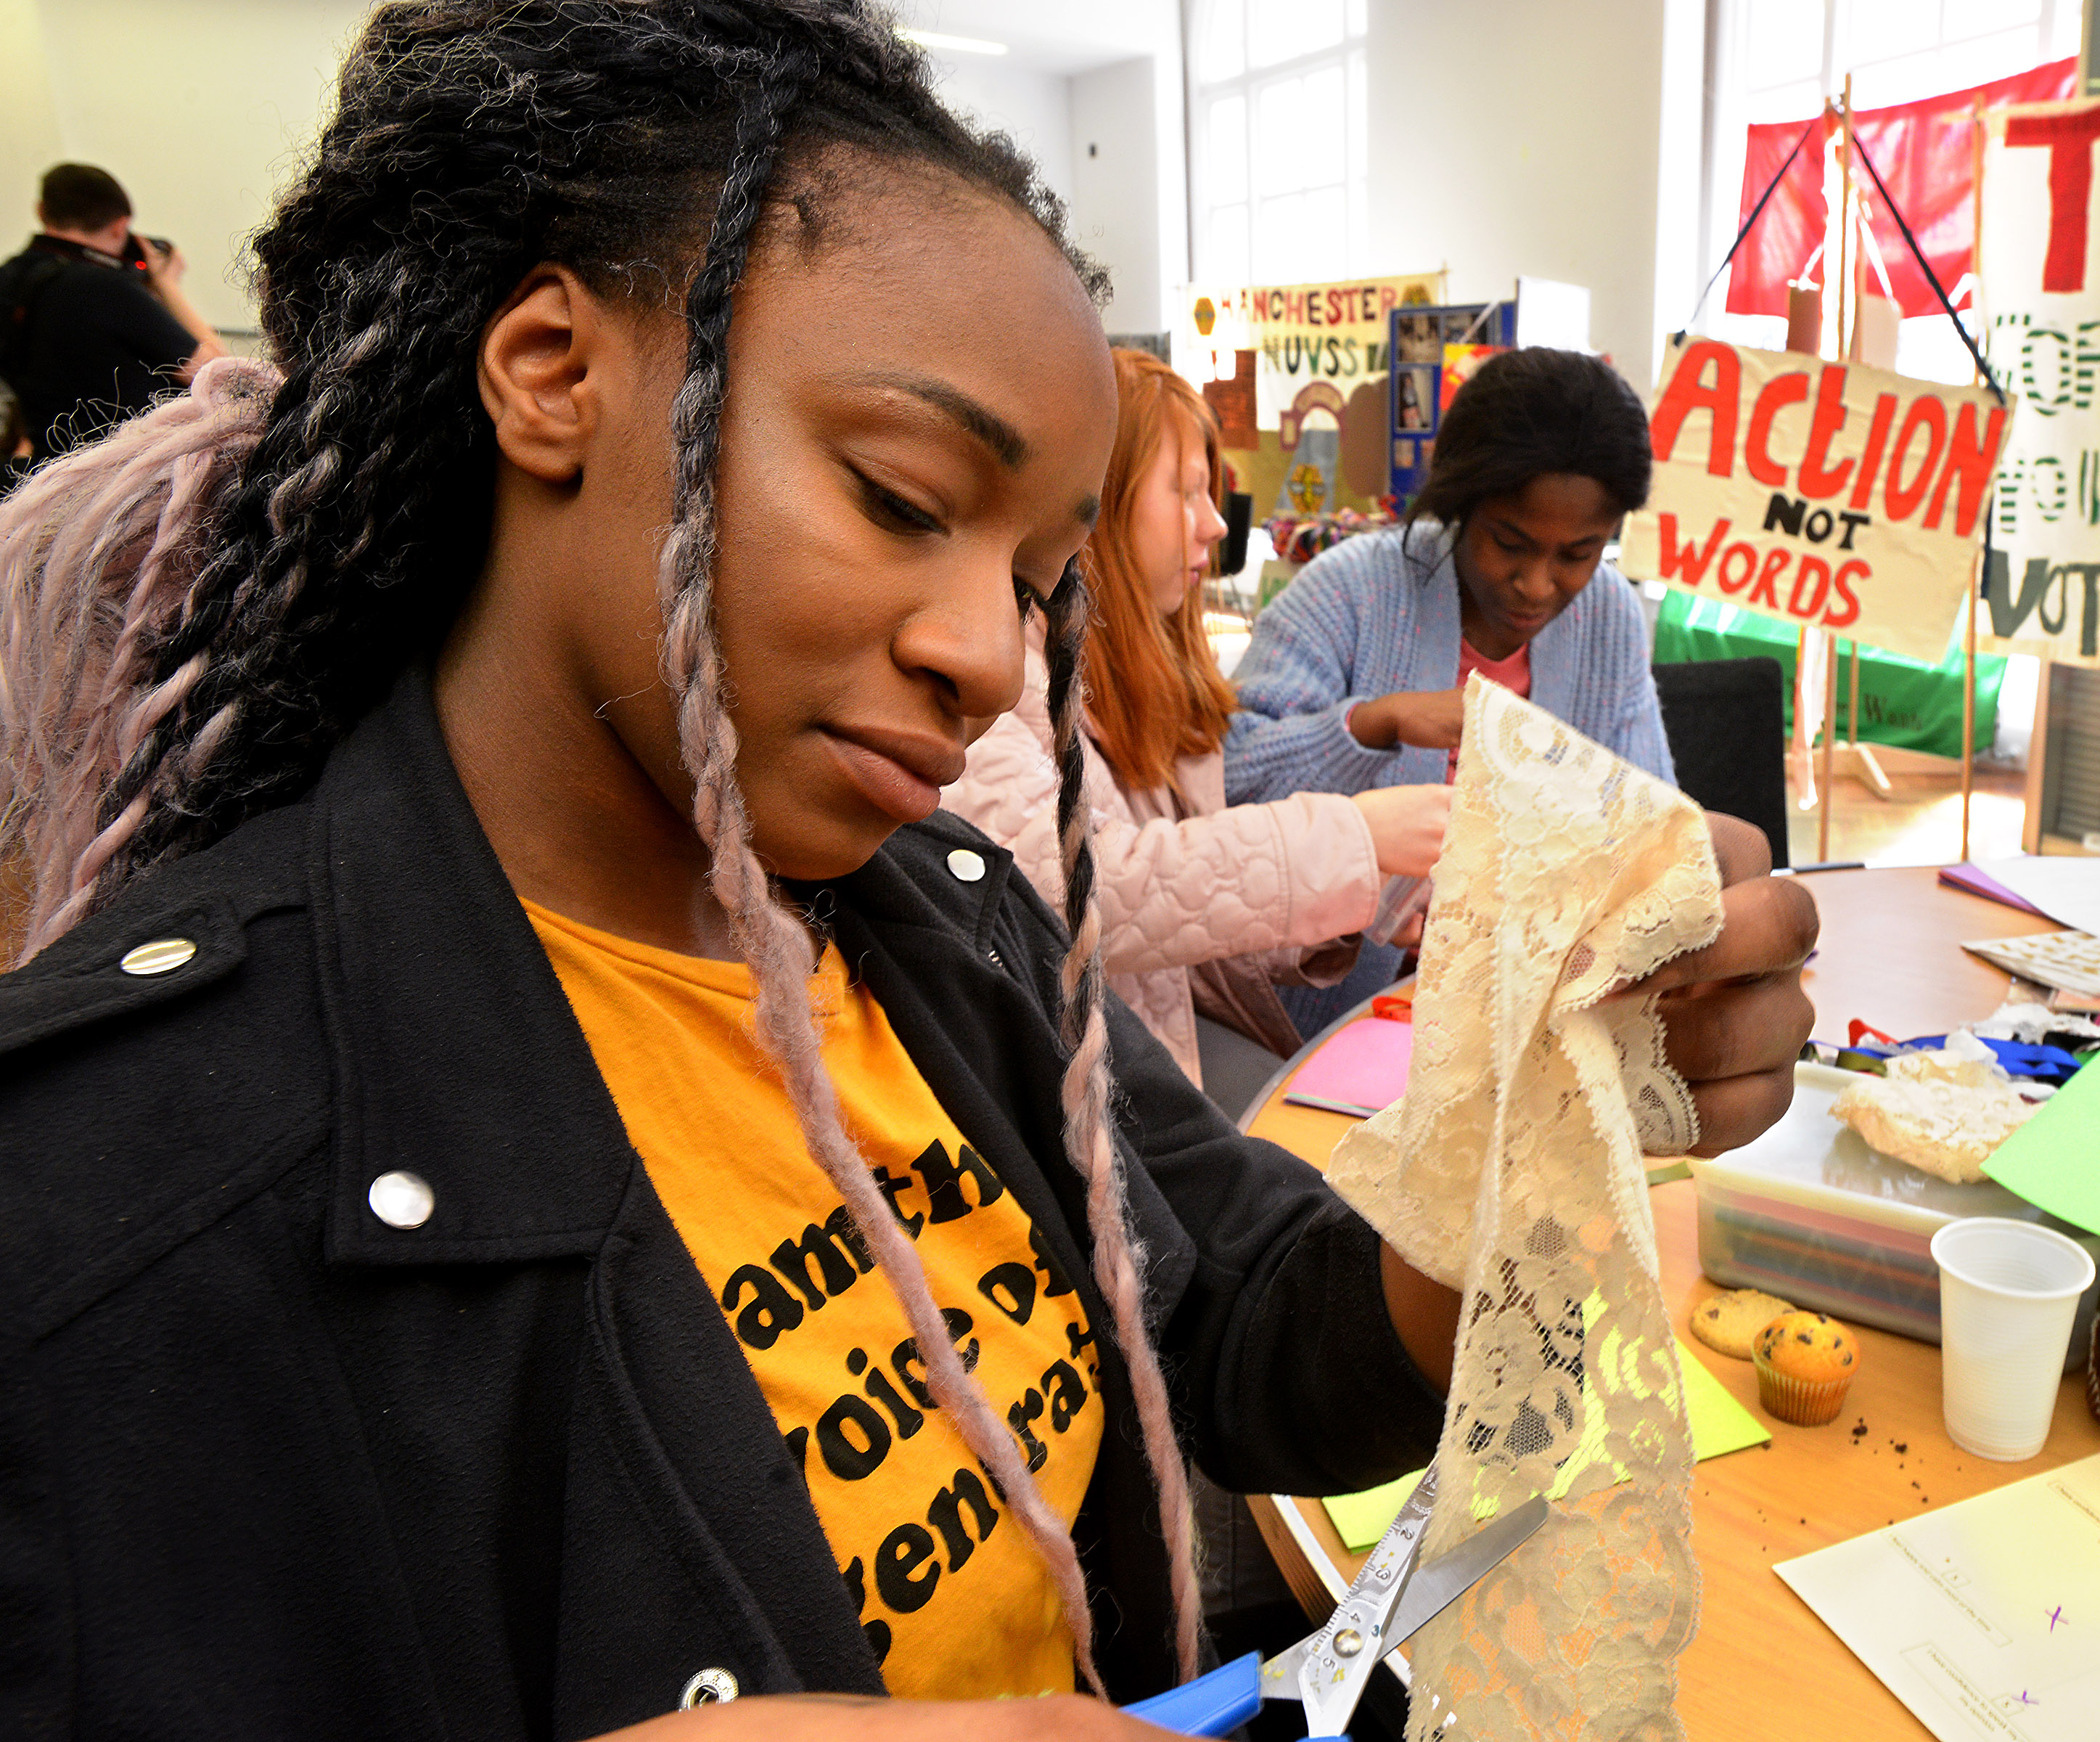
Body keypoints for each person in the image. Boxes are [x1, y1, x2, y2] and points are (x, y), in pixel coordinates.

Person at [0, 4, 1815, 1736]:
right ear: (554, 372)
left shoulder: (942, 920)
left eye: (1036, 580)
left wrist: (1528, 1123)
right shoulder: (115, 1181)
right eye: (898, 496)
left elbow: (1247, 1322)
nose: (982, 655)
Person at [941, 348, 1451, 1117]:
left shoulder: (1137, 680)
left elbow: (1185, 922)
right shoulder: (998, 676)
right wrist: (1354, 837)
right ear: (1094, 504)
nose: (1214, 524)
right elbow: (1085, 889)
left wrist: (1362, 887)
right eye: (1185, 491)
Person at [1225, 345, 1676, 1031]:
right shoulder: (1349, 592)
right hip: (1324, 1026)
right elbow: (1229, 785)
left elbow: (1654, 829)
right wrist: (1372, 724)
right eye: (1510, 543)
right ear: (1461, 504)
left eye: (1578, 554)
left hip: (1523, 1012)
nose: (1537, 584)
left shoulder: (1607, 616)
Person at [0, 163, 223, 463]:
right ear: (120, 226)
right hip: (131, 467)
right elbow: (217, 374)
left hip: (52, 466)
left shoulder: (9, 279)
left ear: (40, 211)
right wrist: (167, 284)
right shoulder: (103, 286)